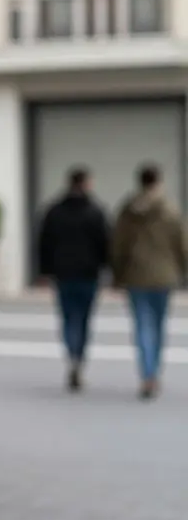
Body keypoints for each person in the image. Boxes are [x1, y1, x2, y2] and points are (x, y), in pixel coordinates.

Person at [111, 163, 187, 400]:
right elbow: (182, 245)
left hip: (135, 275)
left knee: (142, 324)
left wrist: (117, 273)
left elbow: (118, 245)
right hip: (164, 276)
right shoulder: (170, 211)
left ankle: (147, 374)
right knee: (159, 324)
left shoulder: (128, 211)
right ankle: (154, 372)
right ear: (159, 181)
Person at [35, 166, 109, 392]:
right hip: (88, 273)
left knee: (68, 317)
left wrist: (44, 271)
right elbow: (105, 243)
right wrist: (107, 268)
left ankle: (71, 354)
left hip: (63, 273)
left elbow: (44, 243)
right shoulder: (95, 212)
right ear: (85, 183)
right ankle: (79, 356)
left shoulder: (54, 211)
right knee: (85, 318)